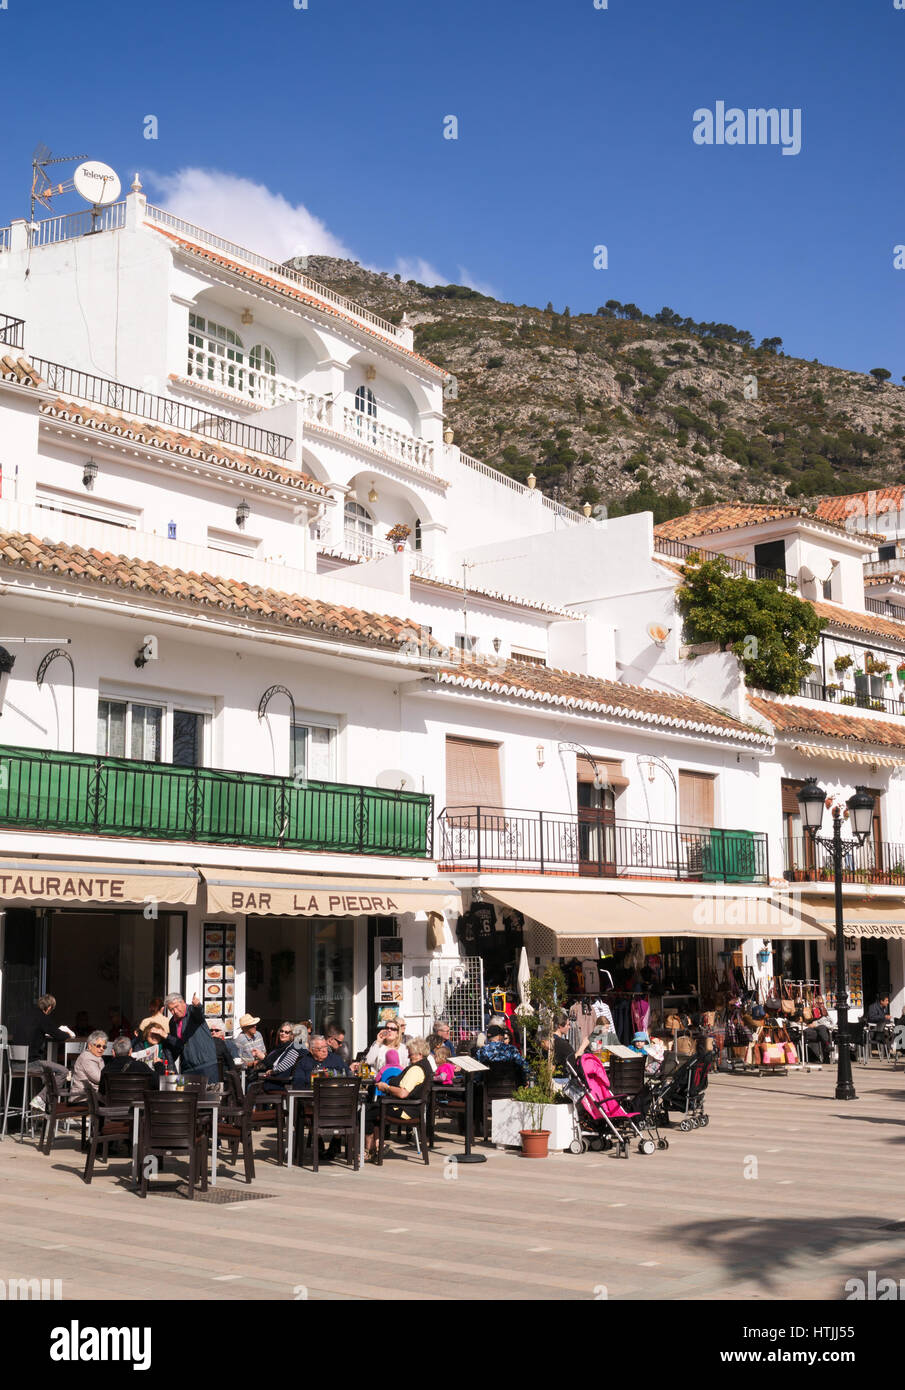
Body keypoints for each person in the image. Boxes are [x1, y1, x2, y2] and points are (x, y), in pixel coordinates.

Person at [364, 1038, 431, 1160]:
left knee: (366, 1112)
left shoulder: (416, 1069)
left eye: (410, 1053)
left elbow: (402, 1093)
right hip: (410, 1107)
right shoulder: (425, 1065)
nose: (409, 1056)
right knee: (373, 1108)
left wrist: (386, 1087)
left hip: (405, 1109)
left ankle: (368, 1150)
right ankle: (377, 1146)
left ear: (419, 1054)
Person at [13, 993, 76, 1112]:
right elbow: (58, 1035)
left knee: (46, 1075)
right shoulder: (42, 1017)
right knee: (63, 1071)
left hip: (14, 1064)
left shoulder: (24, 1015)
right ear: (49, 1008)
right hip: (30, 1064)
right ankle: (41, 1100)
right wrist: (68, 1034)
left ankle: (39, 1111)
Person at [161, 992, 218, 1082]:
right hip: (187, 1067)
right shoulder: (172, 1022)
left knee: (209, 1094)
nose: (175, 1011)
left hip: (205, 1064)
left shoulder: (192, 1011)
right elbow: (177, 1045)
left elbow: (199, 1012)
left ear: (183, 1002)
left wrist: (198, 1005)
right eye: (171, 1009)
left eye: (176, 1007)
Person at [255, 1021, 307, 1091]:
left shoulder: (295, 1047)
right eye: (281, 1031)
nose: (283, 1033)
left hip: (280, 1082)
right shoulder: (296, 1046)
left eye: (287, 1032)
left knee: (253, 1087)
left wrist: (272, 1071)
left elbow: (283, 1066)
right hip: (278, 1080)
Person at [69, 1031, 108, 1102]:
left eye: (104, 1046)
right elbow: (99, 1079)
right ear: (90, 1046)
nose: (102, 1049)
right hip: (82, 1099)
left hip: (92, 1097)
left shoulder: (97, 1057)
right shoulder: (87, 1058)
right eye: (98, 1046)